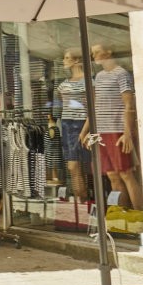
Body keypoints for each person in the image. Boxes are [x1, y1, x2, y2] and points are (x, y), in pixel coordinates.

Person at [91, 43, 141, 210]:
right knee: (112, 175)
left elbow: (129, 104)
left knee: (126, 173)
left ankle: (141, 218)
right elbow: (96, 106)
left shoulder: (122, 74)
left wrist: (127, 133)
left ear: (109, 51)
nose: (94, 55)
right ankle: (122, 216)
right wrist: (88, 131)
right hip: (102, 131)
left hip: (117, 129)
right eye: (93, 53)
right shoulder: (99, 76)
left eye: (97, 51)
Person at [55, 49, 92, 200]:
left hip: (81, 124)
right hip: (67, 125)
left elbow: (91, 108)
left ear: (77, 61)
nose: (64, 61)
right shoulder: (63, 85)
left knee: (79, 167)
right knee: (74, 168)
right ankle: (82, 204)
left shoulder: (88, 81)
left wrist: (85, 131)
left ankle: (84, 202)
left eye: (67, 58)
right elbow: (64, 105)